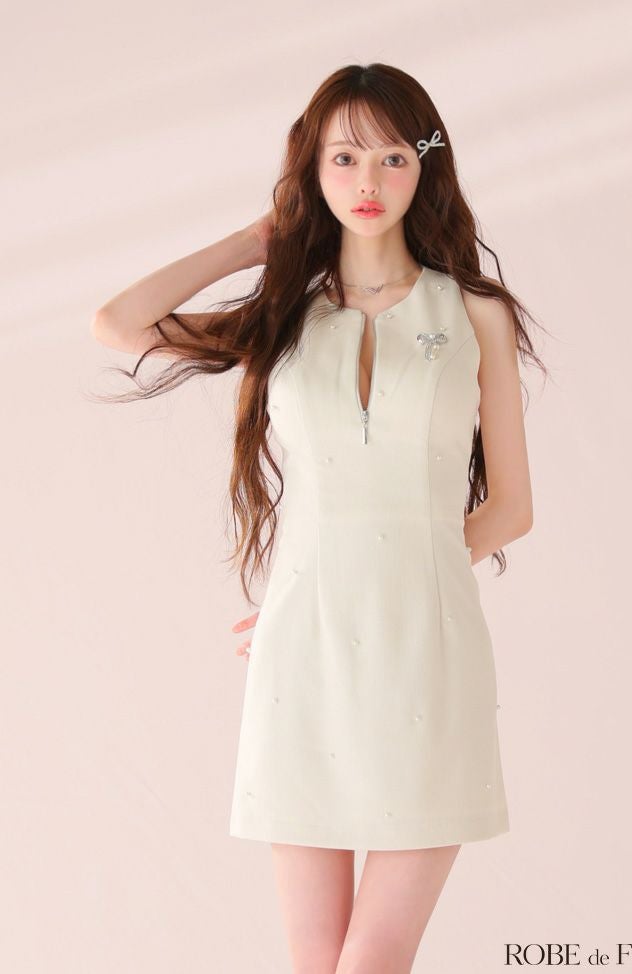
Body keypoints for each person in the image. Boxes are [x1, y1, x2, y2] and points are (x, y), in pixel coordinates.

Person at [91, 62, 545, 974]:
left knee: (373, 956)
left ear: (425, 166)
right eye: (343, 158)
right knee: (313, 957)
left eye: (391, 156)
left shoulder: (475, 313)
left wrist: (378, 579)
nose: (368, 180)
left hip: (430, 653)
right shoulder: (285, 315)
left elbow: (511, 509)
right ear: (311, 169)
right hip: (305, 656)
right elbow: (119, 321)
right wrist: (250, 244)